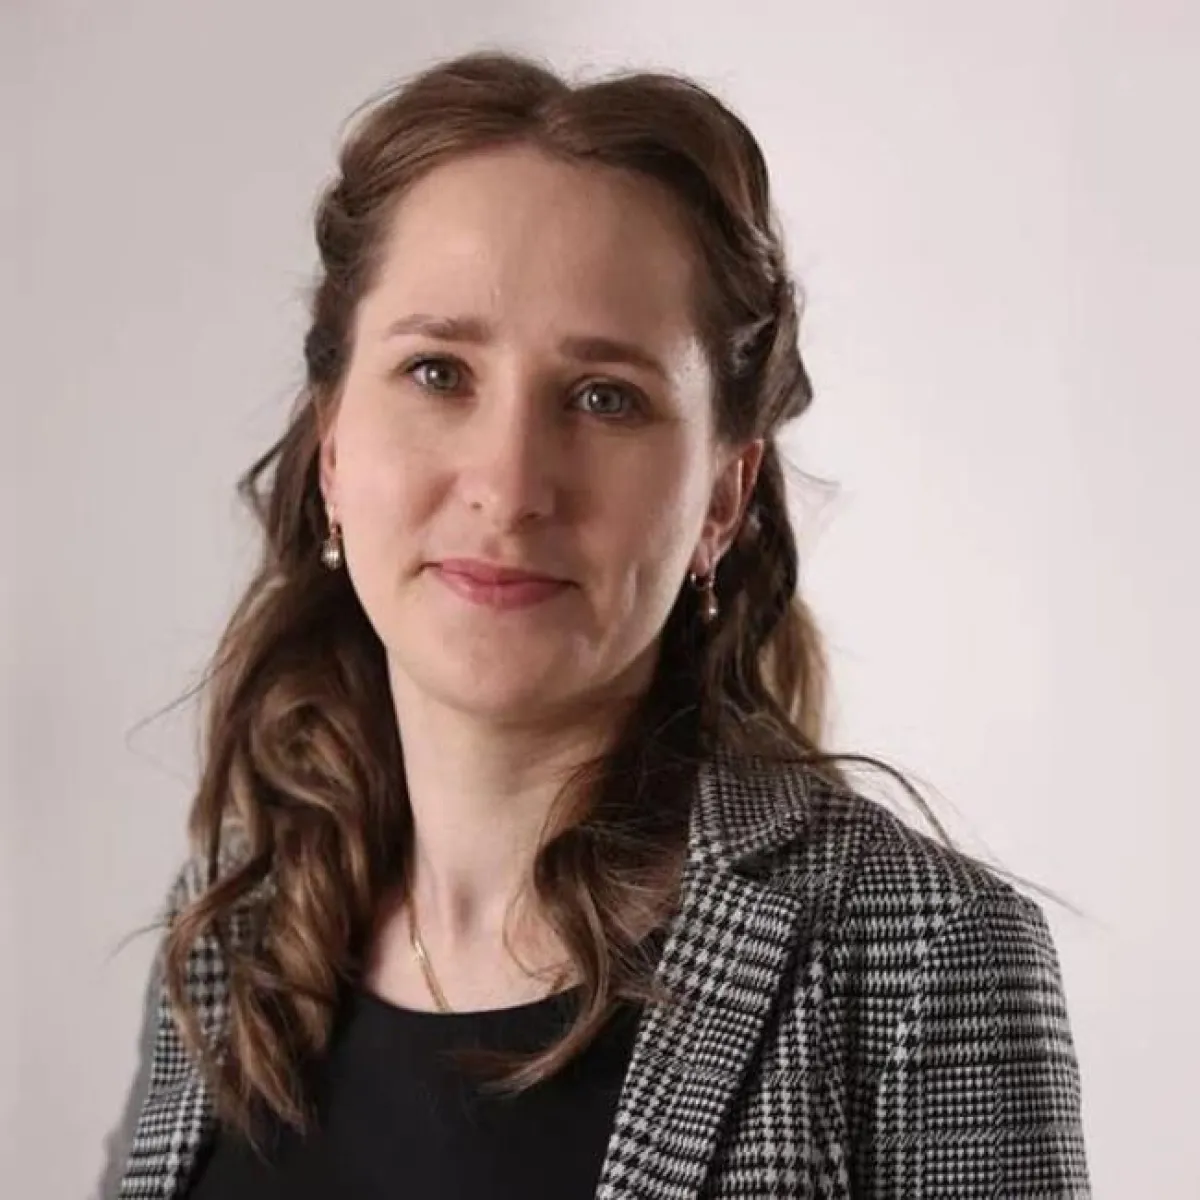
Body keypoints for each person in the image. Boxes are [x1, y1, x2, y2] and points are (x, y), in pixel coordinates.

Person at [112, 50, 1090, 1199]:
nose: (509, 485)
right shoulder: (231, 932)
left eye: (605, 397)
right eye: (437, 373)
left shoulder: (921, 959)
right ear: (333, 449)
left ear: (722, 495)